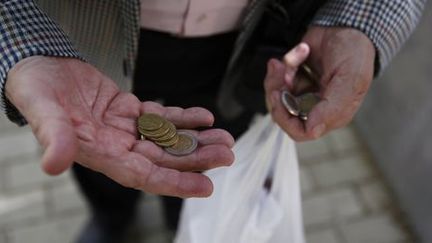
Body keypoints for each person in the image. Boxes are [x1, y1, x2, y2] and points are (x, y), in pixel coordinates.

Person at [0, 0, 427, 242]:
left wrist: (360, 20)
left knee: (210, 153)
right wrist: (22, 45)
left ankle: (180, 221)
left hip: (252, 41)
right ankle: (111, 216)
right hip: (80, 38)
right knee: (95, 146)